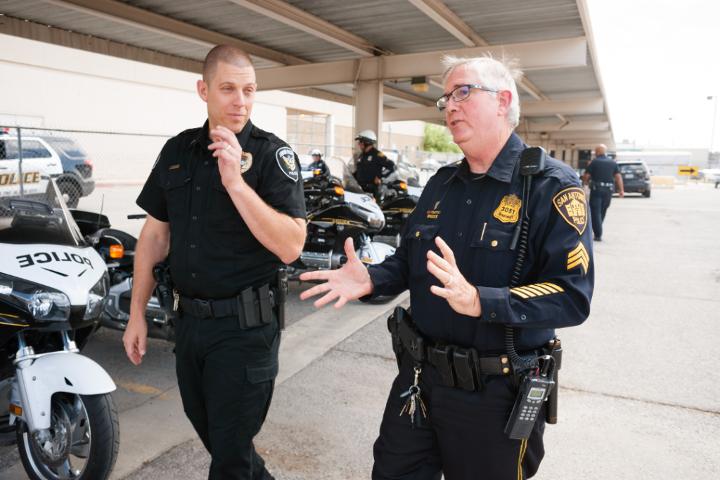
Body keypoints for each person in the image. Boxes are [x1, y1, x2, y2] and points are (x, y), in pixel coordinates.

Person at [299, 55, 594, 480]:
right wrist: (371, 277)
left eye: (463, 92)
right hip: (419, 381)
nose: (450, 106)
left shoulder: (552, 187)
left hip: (494, 395)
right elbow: (408, 262)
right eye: (446, 98)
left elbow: (572, 297)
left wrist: (481, 300)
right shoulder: (442, 183)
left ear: (502, 101)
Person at [123, 45, 306, 480]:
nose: (240, 101)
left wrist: (236, 184)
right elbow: (154, 236)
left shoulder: (270, 156)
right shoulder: (178, 150)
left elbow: (292, 246)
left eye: (248, 90)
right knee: (222, 442)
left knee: (229, 458)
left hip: (244, 330)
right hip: (189, 324)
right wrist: (135, 315)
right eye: (228, 89)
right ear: (203, 90)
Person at [582, 144, 624, 241]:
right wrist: (621, 190)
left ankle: (598, 234)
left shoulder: (594, 162)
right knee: (602, 211)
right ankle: (598, 229)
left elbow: (586, 176)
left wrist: (584, 183)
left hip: (597, 190)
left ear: (597, 152)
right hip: (608, 191)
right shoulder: (613, 163)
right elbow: (618, 177)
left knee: (595, 212)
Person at [352, 130, 395, 198]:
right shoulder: (362, 155)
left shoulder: (377, 155)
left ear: (367, 142)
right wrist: (350, 177)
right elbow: (360, 170)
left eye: (360, 142)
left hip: (371, 190)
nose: (359, 144)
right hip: (359, 188)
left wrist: (379, 176)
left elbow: (391, 166)